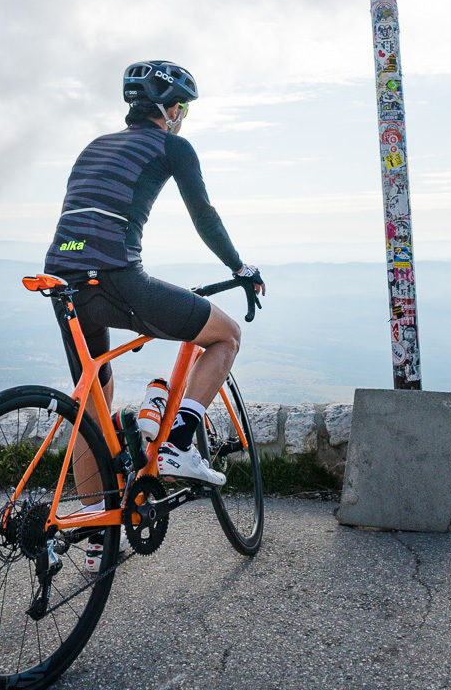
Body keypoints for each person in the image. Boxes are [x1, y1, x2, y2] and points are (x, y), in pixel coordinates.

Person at [43, 60, 264, 569]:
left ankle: (98, 536)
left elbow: (91, 217)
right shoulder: (172, 146)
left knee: (91, 406)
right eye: (183, 108)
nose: (182, 117)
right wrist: (240, 266)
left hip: (63, 277)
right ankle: (178, 439)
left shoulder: (93, 147)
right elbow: (203, 214)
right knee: (225, 335)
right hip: (117, 278)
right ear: (172, 109)